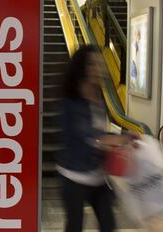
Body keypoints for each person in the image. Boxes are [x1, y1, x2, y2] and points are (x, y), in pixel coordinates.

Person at [57, 45, 133, 232]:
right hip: (74, 177)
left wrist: (123, 137)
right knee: (74, 227)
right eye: (92, 64)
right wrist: (116, 141)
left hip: (98, 177)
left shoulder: (98, 97)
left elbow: (101, 131)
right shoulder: (72, 102)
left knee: (109, 225)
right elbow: (88, 135)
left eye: (100, 64)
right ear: (81, 68)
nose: (98, 69)